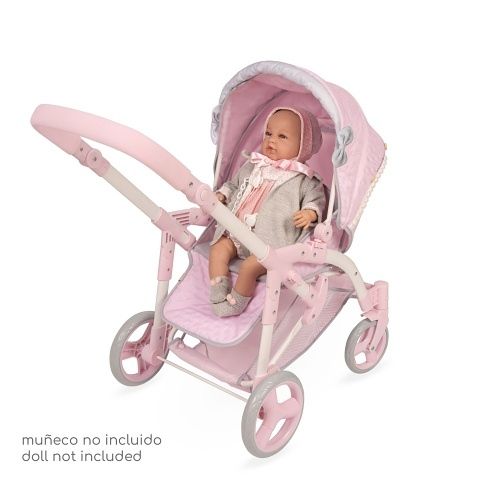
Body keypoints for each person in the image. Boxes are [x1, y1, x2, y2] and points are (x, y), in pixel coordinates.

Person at [208, 106, 325, 317]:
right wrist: (223, 195)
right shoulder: (254, 165)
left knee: (249, 267)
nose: (272, 140)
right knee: (218, 249)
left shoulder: (305, 180)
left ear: (303, 146)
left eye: (282, 136)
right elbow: (234, 185)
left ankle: (236, 302)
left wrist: (310, 213)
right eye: (269, 133)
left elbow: (316, 201)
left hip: (270, 243)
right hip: (236, 233)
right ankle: (218, 292)